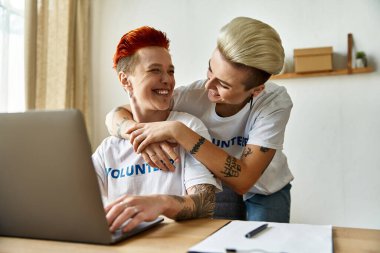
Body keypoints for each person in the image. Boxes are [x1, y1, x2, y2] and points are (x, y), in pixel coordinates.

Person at [106, 17, 294, 222]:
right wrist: (137, 134)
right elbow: (117, 114)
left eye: (223, 85)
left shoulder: (274, 103)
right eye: (210, 70)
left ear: (256, 90)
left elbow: (244, 180)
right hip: (218, 184)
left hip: (265, 189)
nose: (208, 86)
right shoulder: (192, 96)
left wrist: (180, 132)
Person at [92, 26, 221, 233]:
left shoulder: (188, 127)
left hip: (174, 241)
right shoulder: (108, 149)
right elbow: (78, 203)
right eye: (155, 70)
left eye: (170, 71)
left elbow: (206, 203)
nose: (167, 80)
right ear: (125, 80)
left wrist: (161, 203)